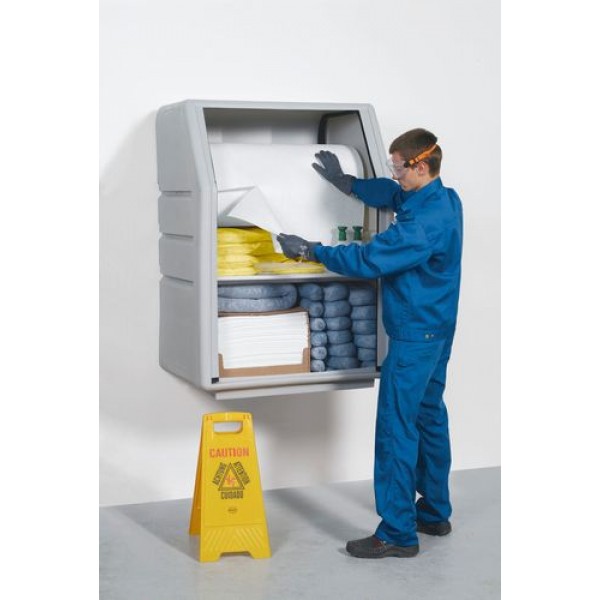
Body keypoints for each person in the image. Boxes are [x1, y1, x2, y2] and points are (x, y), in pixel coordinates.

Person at [277, 128, 463, 559]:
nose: (395, 175)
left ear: (421, 165)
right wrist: (350, 184)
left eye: (399, 168)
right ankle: (434, 512)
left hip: (415, 335)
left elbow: (368, 259)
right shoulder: (444, 199)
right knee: (429, 418)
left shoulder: (421, 226)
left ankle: (398, 533)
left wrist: (311, 251)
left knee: (397, 428)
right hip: (438, 329)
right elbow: (393, 195)